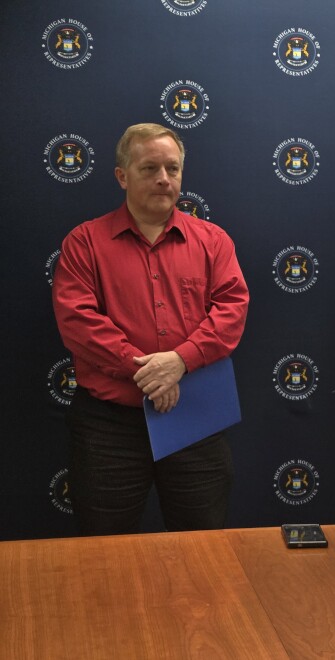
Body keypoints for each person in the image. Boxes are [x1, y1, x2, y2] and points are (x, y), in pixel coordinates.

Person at [52, 123, 249, 535]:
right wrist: (147, 372)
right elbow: (78, 321)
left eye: (172, 169)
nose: (163, 178)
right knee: (105, 547)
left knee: (202, 544)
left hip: (195, 414)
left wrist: (180, 361)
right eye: (149, 168)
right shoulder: (84, 243)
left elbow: (232, 309)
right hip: (109, 426)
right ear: (122, 176)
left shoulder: (213, 241)